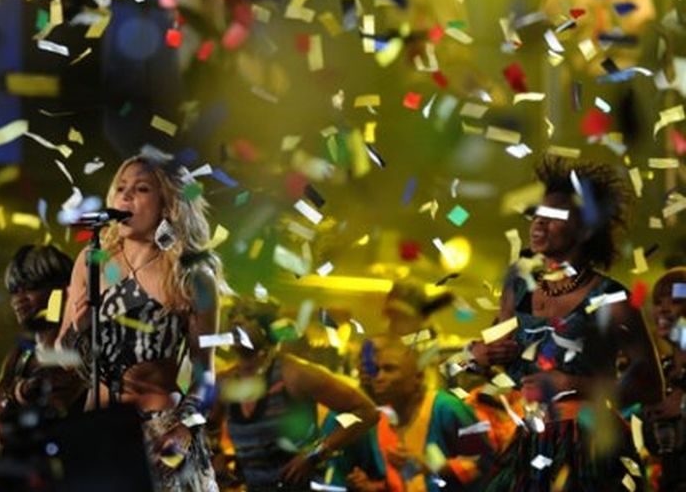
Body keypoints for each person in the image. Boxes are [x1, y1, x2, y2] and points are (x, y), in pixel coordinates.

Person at [469, 157, 663, 491]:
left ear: (586, 229)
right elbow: (493, 360)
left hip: (591, 444)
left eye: (555, 217)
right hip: (531, 443)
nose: (538, 225)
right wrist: (479, 355)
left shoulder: (611, 298)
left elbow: (651, 386)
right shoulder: (518, 283)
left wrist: (572, 383)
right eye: (537, 215)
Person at [57, 150, 226, 491]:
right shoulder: (92, 261)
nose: (126, 195)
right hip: (100, 431)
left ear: (168, 203)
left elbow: (205, 375)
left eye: (142, 188)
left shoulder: (192, 276)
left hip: (161, 433)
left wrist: (185, 430)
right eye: (121, 187)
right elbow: (64, 356)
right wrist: (79, 328)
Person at [216, 297, 378, 492]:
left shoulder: (293, 374)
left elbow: (366, 411)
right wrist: (215, 457)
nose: (236, 322)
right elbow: (206, 429)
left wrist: (315, 454)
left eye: (248, 317)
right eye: (232, 316)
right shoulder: (224, 381)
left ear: (266, 328)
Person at [340, 338, 494, 492]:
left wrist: (432, 466)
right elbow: (407, 482)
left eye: (389, 369)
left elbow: (488, 464)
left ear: (418, 377)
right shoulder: (383, 420)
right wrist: (372, 487)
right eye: (376, 370)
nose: (379, 378)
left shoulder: (447, 408)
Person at [0, 244, 86, 421]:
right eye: (14, 290)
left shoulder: (86, 345)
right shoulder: (21, 356)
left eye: (30, 287)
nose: (19, 299)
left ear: (64, 288)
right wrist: (20, 392)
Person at [644, 267, 686, 491]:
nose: (663, 310)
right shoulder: (663, 371)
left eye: (675, 302)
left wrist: (680, 405)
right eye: (658, 302)